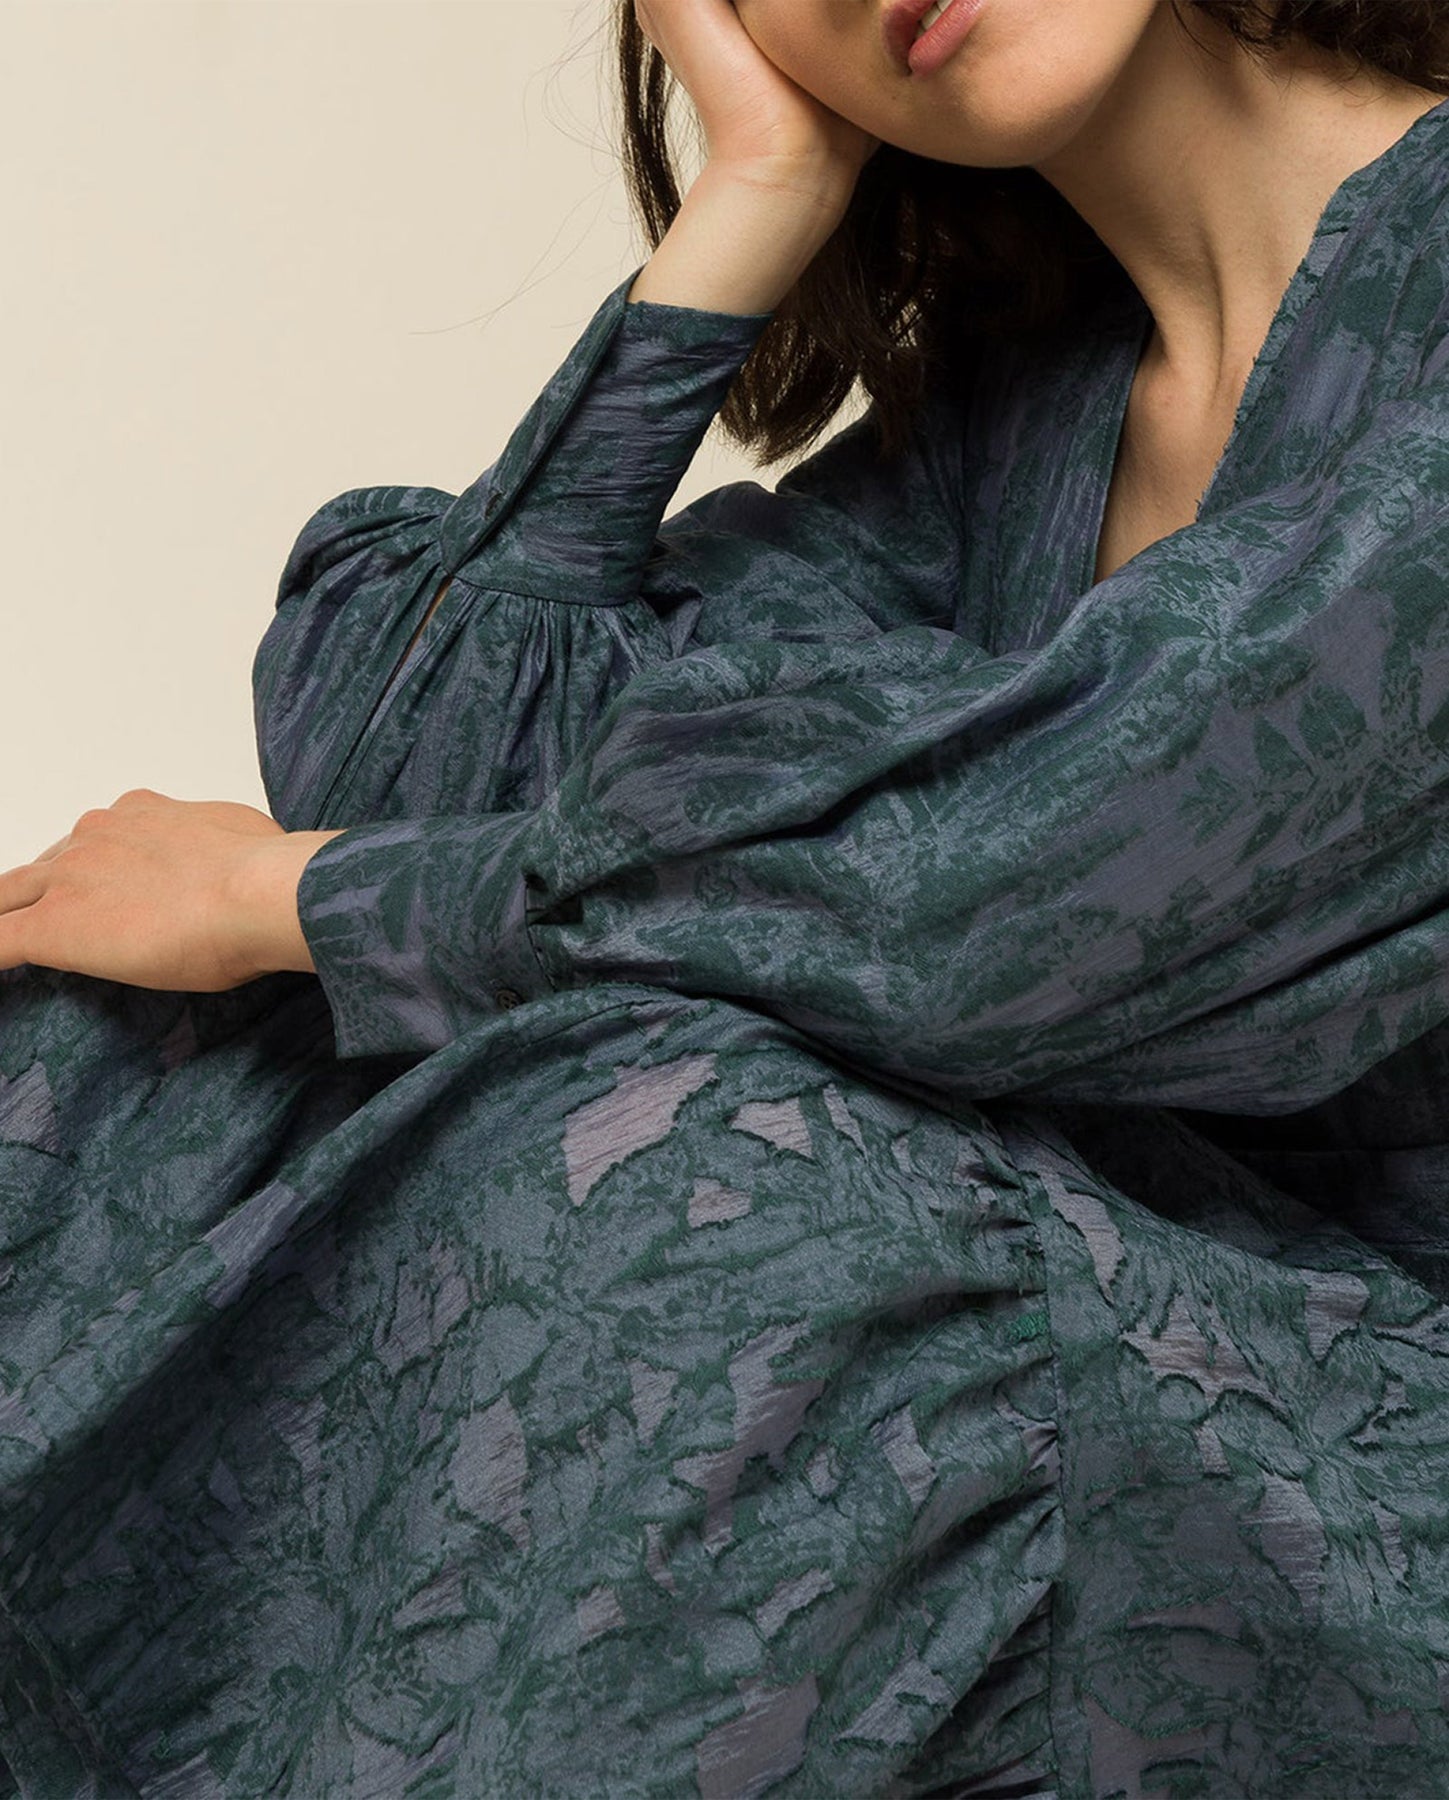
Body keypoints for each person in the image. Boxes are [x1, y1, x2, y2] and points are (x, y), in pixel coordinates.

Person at [1, 0, 1447, 1790]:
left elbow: (1006, 900)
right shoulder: (1019, 421)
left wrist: (306, 898)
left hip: (1377, 1484)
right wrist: (754, 192)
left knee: (710, 1166)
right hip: (1109, 1356)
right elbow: (405, 780)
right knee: (137, 1043)